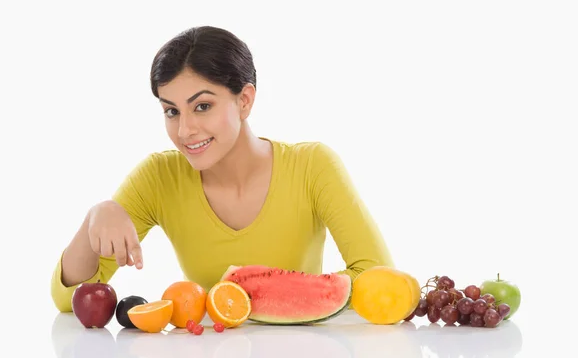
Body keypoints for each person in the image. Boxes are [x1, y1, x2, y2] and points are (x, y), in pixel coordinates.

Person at [50, 25, 394, 312]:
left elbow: (378, 275)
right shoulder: (158, 179)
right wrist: (96, 216)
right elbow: (71, 298)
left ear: (244, 100)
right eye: (171, 111)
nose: (185, 131)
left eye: (202, 106)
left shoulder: (313, 166)